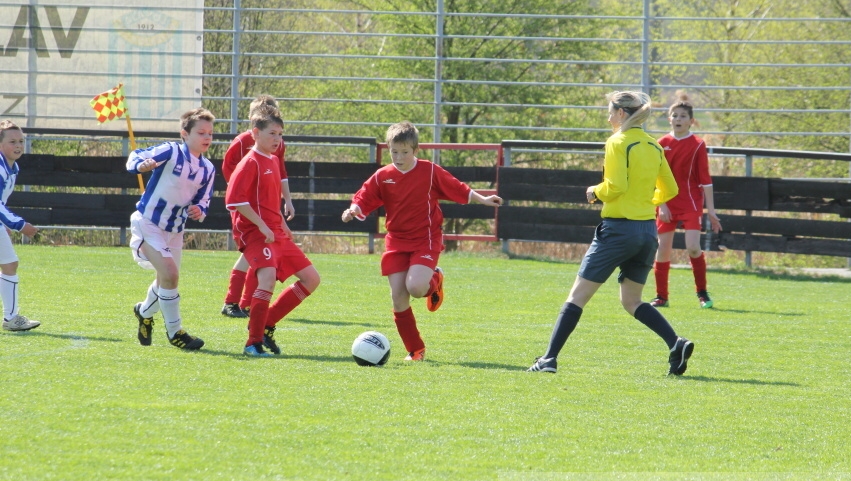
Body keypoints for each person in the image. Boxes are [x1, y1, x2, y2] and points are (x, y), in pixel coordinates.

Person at [527, 91, 695, 376]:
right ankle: (675, 342)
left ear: (621, 114)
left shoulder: (617, 142)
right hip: (646, 232)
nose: (608, 118)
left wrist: (594, 192)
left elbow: (614, 186)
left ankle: (548, 359)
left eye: (610, 112)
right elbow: (671, 190)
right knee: (632, 301)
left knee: (576, 297)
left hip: (618, 230)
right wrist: (645, 203)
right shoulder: (654, 146)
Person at [341, 122, 503, 361]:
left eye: (404, 152)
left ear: (415, 150)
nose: (399, 157)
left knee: (416, 288)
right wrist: (353, 209)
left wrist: (483, 199)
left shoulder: (429, 171)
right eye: (394, 151)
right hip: (396, 240)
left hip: (425, 238)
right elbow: (364, 196)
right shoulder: (383, 176)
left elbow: (456, 187)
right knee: (398, 297)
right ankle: (415, 350)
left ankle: (434, 279)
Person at [225, 105, 320, 357]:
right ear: (255, 133)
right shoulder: (249, 162)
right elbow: (234, 201)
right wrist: (262, 225)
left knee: (312, 279)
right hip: (257, 233)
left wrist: (282, 224)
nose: (277, 139)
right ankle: (252, 343)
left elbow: (269, 200)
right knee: (266, 279)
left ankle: (266, 323)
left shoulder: (272, 160)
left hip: (275, 230)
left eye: (280, 134)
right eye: (272, 134)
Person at [128, 108, 216, 351]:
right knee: (170, 275)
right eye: (201, 132)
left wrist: (200, 209)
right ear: (184, 134)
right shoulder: (171, 150)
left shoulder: (207, 169)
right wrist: (140, 165)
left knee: (165, 280)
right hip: (149, 223)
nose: (207, 137)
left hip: (175, 230)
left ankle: (144, 312)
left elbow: (204, 199)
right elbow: (135, 155)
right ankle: (176, 332)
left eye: (210, 133)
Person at [220, 95, 295, 319]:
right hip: (247, 207)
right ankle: (235, 301)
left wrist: (286, 200)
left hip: (266, 208)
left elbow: (280, 172)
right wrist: (242, 195)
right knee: (255, 253)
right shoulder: (243, 142)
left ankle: (243, 303)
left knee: (260, 254)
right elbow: (228, 170)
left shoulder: (276, 143)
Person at [651, 92, 722, 309]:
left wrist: (711, 210)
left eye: (683, 116)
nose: (678, 119)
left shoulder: (698, 144)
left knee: (693, 247)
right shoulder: (660, 143)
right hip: (667, 204)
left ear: (691, 121)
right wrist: (661, 204)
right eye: (675, 115)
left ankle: (702, 293)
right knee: (663, 250)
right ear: (669, 118)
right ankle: (661, 296)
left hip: (690, 203)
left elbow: (705, 180)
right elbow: (654, 177)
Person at [0, 121, 40, 332]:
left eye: (21, 141)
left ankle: (11, 318)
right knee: (9, 265)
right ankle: (11, 318)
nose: (18, 145)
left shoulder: (11, 166)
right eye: (12, 141)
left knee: (10, 264)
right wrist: (20, 225)